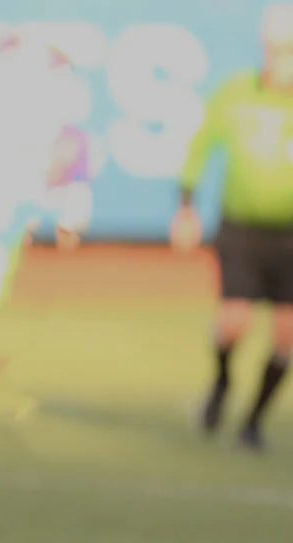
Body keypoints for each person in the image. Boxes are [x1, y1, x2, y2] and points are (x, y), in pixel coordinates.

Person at [172, 4, 293, 451]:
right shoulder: (237, 92)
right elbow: (200, 145)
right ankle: (221, 382)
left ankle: (254, 422)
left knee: (285, 333)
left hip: (290, 235)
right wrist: (186, 207)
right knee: (233, 322)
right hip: (241, 226)